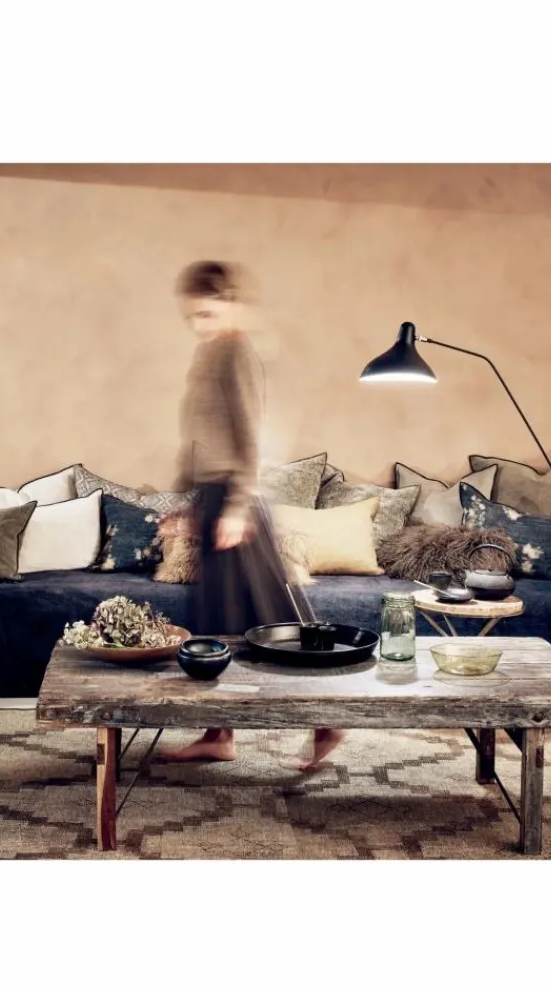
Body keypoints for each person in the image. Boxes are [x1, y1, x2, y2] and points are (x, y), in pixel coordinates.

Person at [157, 260, 344, 770]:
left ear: (230, 303)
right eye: (193, 316)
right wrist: (188, 499)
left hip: (236, 505)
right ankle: (218, 734)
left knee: (272, 620)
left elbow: (250, 436)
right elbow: (201, 435)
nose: (200, 324)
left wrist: (237, 507)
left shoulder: (236, 351)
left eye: (208, 312)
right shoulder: (208, 351)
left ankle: (328, 718)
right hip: (213, 500)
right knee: (217, 623)